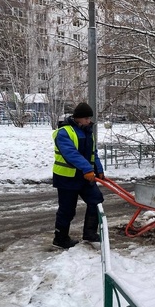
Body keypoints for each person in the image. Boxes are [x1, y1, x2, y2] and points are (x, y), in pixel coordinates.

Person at [52, 102, 105, 249]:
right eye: (86, 118)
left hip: (84, 176)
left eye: (89, 118)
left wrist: (98, 169)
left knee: (96, 200)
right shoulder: (64, 132)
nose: (89, 121)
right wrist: (88, 169)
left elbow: (93, 154)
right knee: (67, 209)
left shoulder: (88, 132)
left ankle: (90, 233)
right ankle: (60, 238)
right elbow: (71, 154)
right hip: (67, 178)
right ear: (78, 118)